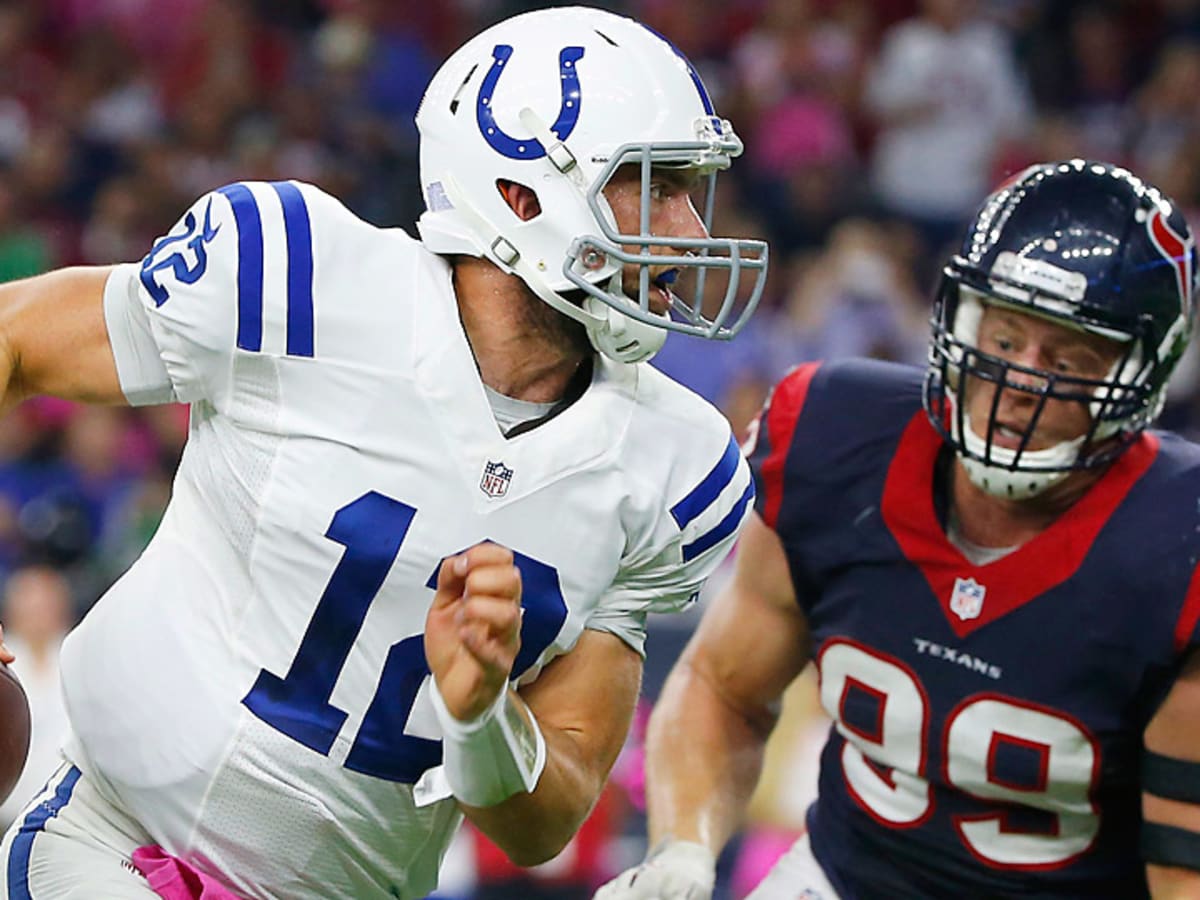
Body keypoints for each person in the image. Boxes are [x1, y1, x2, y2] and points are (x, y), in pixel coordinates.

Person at [0, 6, 768, 898]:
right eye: (655, 186)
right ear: (521, 198)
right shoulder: (293, 274)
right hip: (110, 845)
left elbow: (545, 820)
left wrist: (480, 718)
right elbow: (14, 337)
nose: (685, 231)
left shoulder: (676, 466)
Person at [596, 159, 1200, 899]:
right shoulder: (836, 435)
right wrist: (682, 851)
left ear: (1142, 381)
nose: (1021, 385)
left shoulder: (1176, 540)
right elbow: (724, 688)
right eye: (1005, 340)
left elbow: (1183, 859)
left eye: (1069, 360)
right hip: (844, 878)